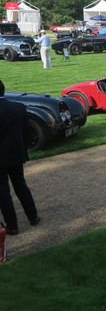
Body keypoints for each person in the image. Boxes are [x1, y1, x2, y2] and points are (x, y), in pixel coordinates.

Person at [0, 80, 40, 236]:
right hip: (17, 154)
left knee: (3, 192)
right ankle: (33, 216)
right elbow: (26, 133)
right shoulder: (19, 107)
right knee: (21, 186)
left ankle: (12, 226)